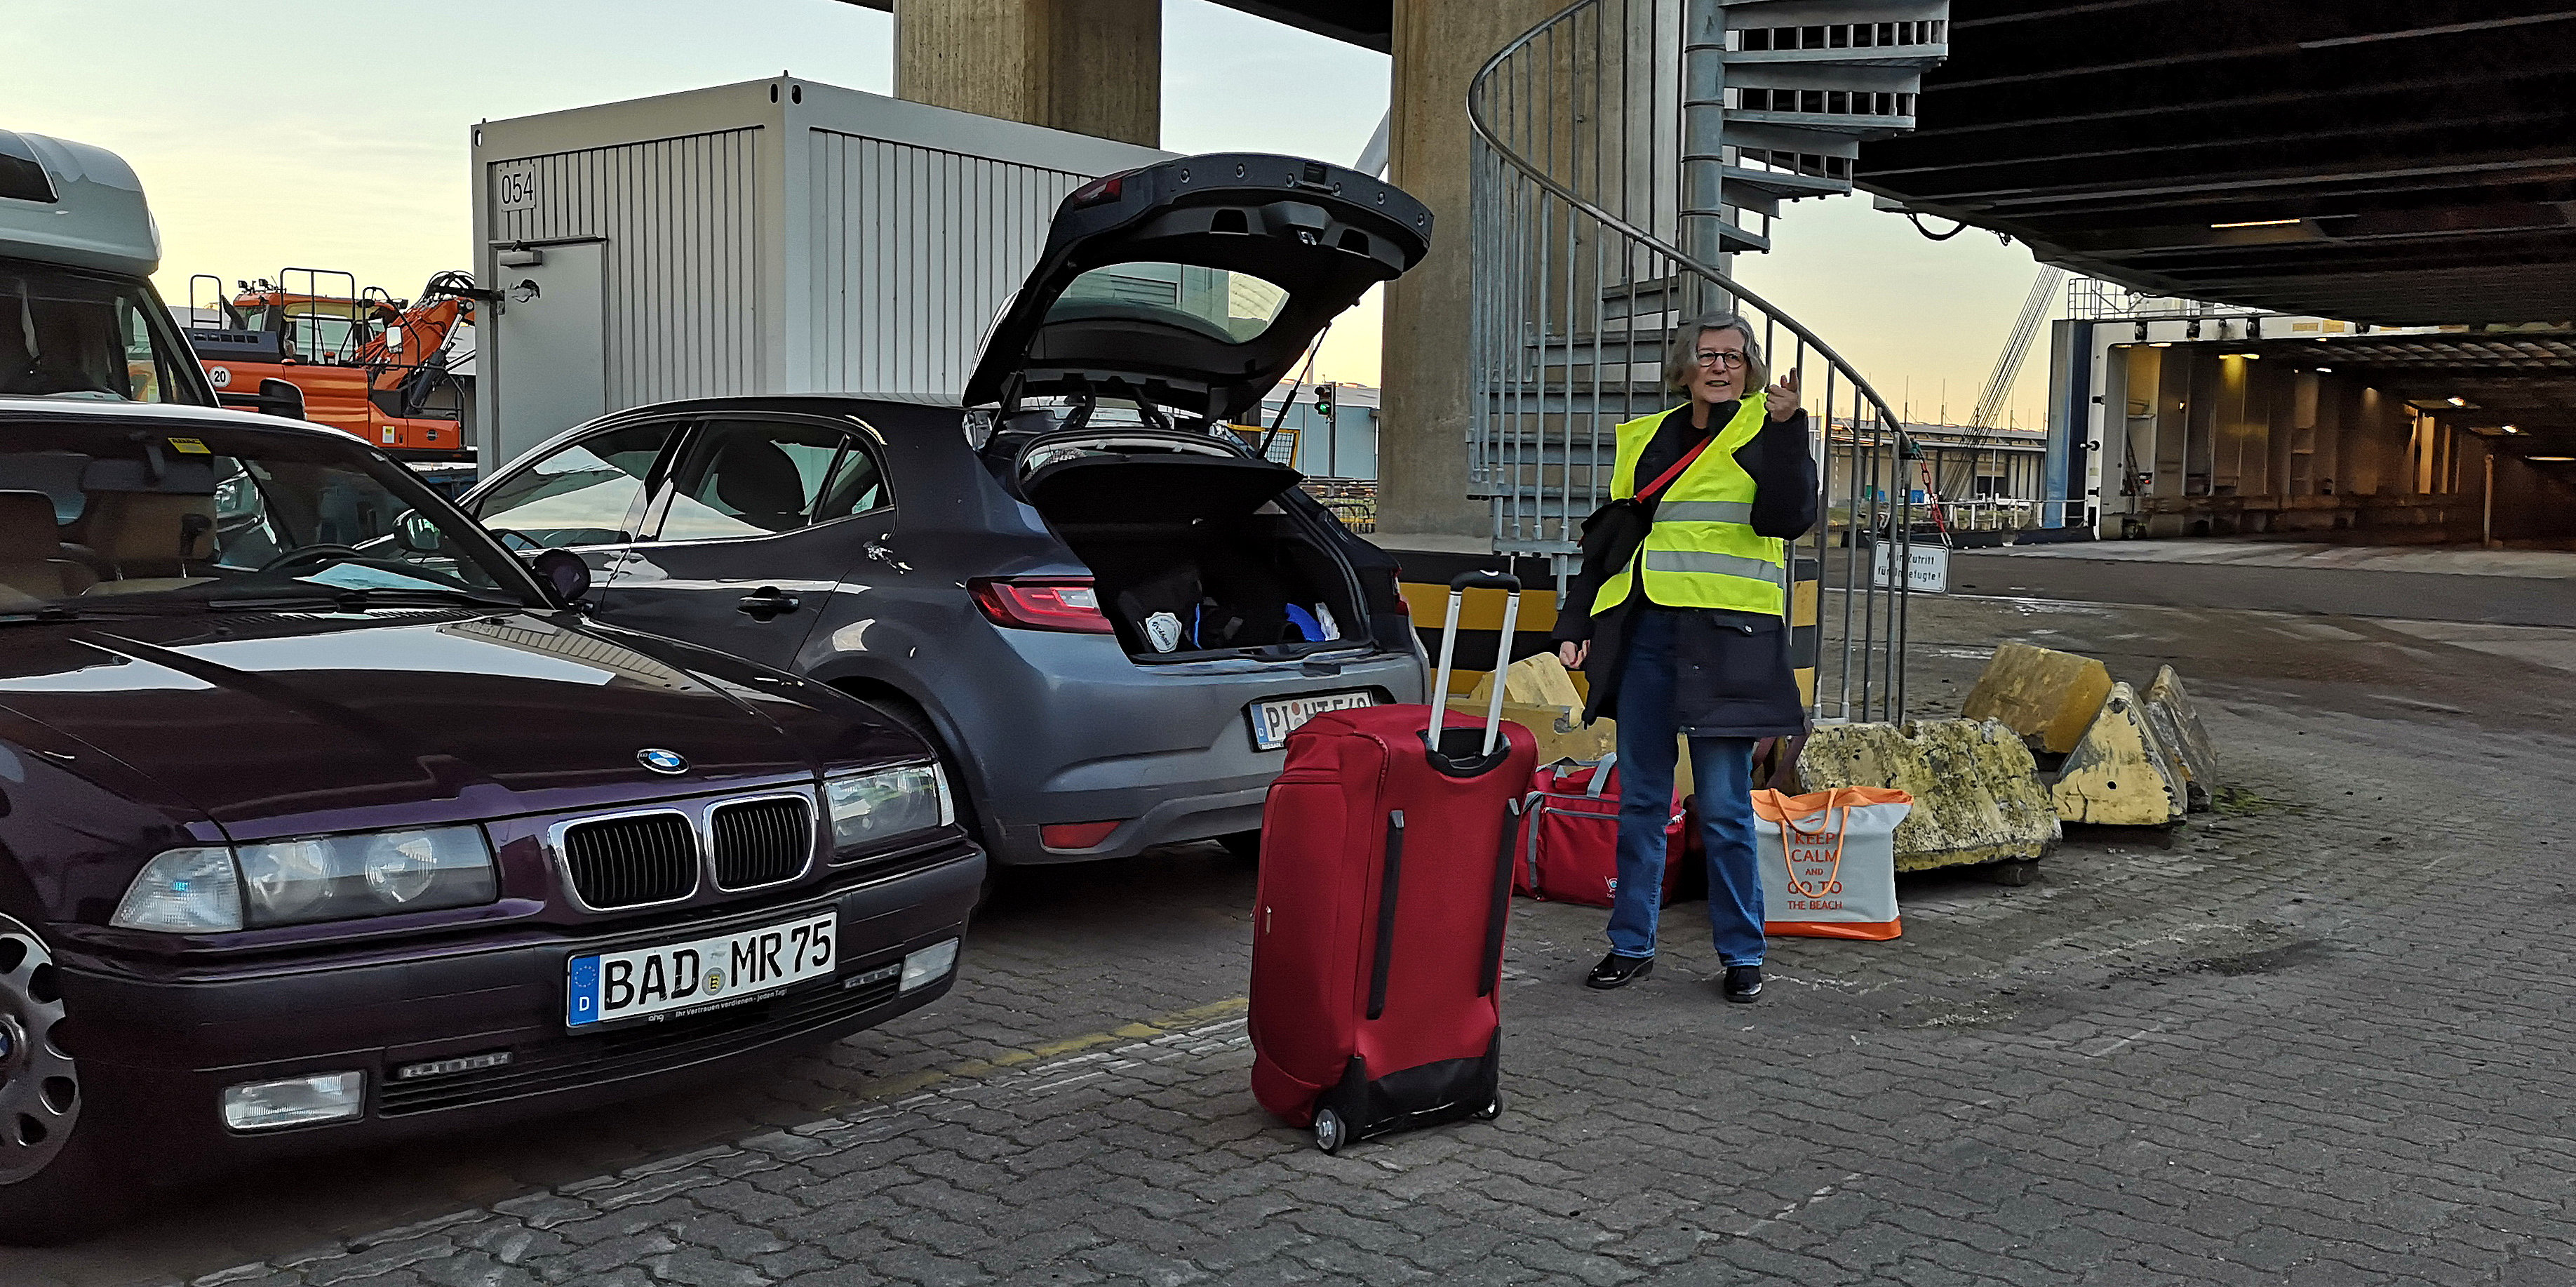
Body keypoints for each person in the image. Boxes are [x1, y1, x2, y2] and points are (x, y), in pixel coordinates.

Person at [1552, 311, 1818, 1002]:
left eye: (1734, 356)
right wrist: (1575, 621)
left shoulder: (1768, 427)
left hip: (1729, 642)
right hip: (1647, 637)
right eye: (1709, 355)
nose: (1722, 366)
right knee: (1642, 798)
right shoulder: (1647, 440)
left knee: (1726, 807)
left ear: (1750, 368)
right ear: (1685, 366)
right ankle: (1631, 944)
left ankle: (1741, 953)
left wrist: (1790, 433)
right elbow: (1609, 542)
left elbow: (1789, 518)